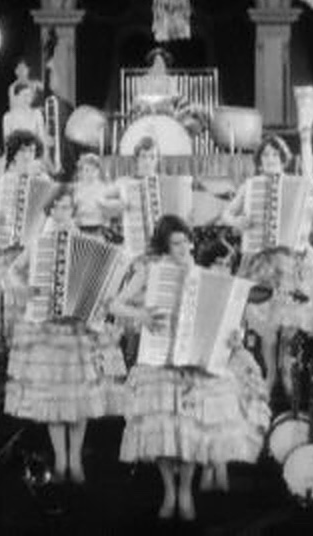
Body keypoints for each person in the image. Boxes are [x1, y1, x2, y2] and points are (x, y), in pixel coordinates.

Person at [109, 215, 254, 521]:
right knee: (162, 429)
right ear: (164, 245)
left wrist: (234, 336)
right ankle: (169, 491)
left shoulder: (202, 274)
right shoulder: (151, 272)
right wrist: (142, 316)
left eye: (186, 240)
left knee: (188, 430)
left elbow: (227, 319)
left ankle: (186, 490)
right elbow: (115, 305)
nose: (183, 246)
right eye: (176, 242)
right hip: (158, 359)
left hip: (193, 361)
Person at [3, 185, 126, 484]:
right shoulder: (39, 243)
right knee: (55, 396)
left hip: (78, 328)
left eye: (67, 207)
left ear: (73, 210)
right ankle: (61, 458)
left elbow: (109, 275)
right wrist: (24, 289)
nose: (62, 213)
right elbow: (12, 272)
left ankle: (75, 459)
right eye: (57, 207)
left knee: (79, 394)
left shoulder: (87, 241)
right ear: (50, 211)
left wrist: (100, 298)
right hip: (48, 327)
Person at [223, 135, 313, 338]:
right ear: (259, 160)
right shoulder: (250, 185)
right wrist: (237, 222)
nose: (270, 158)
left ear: (283, 158)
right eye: (265, 154)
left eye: (275, 154)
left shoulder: (300, 186)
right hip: (259, 259)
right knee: (257, 319)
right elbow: (226, 214)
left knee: (292, 319)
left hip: (291, 261)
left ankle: (287, 361)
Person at [196, 240, 271, 493]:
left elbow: (238, 328)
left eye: (228, 265)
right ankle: (213, 468)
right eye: (218, 264)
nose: (224, 269)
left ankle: (218, 467)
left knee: (234, 396)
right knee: (213, 402)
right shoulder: (197, 290)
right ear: (206, 265)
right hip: (201, 357)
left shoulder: (234, 293)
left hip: (229, 355)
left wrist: (237, 340)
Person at [0, 131, 52, 354]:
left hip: (26, 253)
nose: (28, 155)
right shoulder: (5, 180)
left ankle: (23, 353)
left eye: (32, 150)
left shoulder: (43, 181)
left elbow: (49, 214)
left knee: (23, 304)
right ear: (15, 154)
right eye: (24, 150)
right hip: (2, 250)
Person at [240, 246, 313, 406]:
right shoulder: (254, 303)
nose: (290, 278)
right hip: (261, 378)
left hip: (291, 381)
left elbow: (311, 332)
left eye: (293, 271)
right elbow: (266, 333)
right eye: (283, 273)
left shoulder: (297, 302)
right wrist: (276, 309)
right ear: (271, 275)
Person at [3, 83, 52, 170]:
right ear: (16, 97)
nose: (27, 98)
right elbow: (7, 144)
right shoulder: (8, 117)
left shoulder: (37, 114)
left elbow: (42, 140)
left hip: (34, 158)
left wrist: (44, 160)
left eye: (29, 95)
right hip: (16, 160)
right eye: (24, 95)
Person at [72, 152, 121, 239]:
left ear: (97, 171)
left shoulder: (105, 188)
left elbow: (113, 211)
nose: (88, 173)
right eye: (85, 170)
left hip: (99, 229)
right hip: (80, 229)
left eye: (92, 170)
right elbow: (73, 210)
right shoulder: (77, 188)